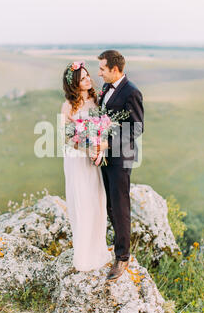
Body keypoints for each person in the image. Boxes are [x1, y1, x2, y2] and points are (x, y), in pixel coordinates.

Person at [91, 50, 144, 281]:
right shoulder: (105, 89)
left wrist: (107, 143)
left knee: (120, 206)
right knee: (110, 204)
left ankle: (122, 257)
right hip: (105, 157)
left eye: (102, 68)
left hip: (120, 158)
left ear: (115, 69)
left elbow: (137, 128)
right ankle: (115, 245)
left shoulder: (132, 92)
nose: (99, 73)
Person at [60, 61, 112, 272]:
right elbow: (67, 136)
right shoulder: (67, 106)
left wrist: (99, 146)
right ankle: (83, 256)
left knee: (97, 200)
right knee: (81, 202)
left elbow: (106, 126)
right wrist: (87, 146)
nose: (88, 79)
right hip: (77, 160)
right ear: (74, 84)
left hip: (94, 158)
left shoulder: (96, 99)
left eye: (88, 75)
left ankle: (98, 250)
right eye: (82, 78)